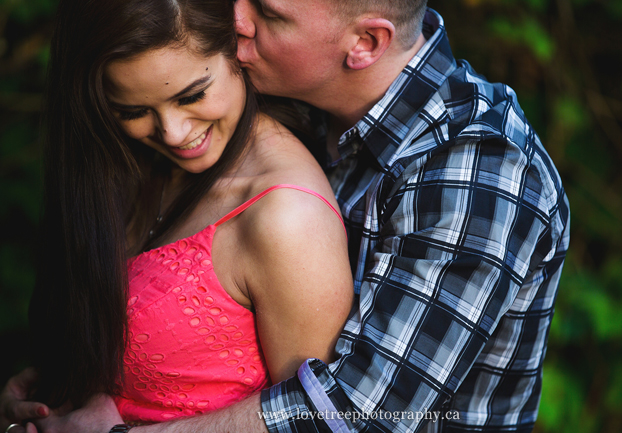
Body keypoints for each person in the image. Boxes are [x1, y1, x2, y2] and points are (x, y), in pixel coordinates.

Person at [1, 0, 571, 432]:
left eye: (269, 13)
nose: (235, 17)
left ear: (366, 43)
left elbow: (361, 413)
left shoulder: (480, 173)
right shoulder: (308, 116)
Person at [0, 0, 355, 431]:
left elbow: (316, 421)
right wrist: (54, 397)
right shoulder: (131, 165)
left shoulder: (286, 218)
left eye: (192, 95)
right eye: (133, 110)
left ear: (237, 53)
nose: (173, 132)